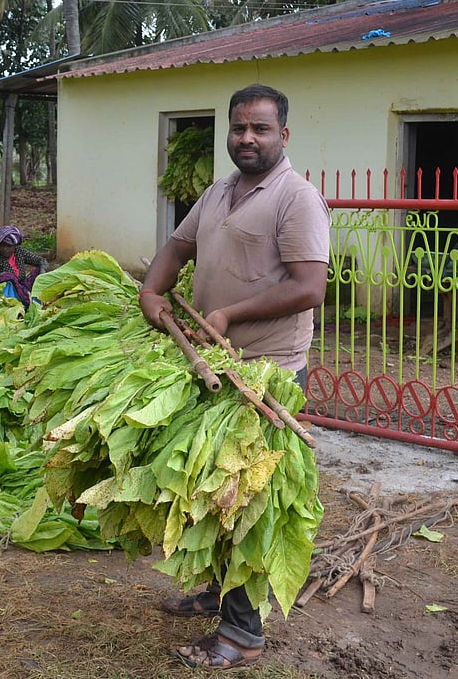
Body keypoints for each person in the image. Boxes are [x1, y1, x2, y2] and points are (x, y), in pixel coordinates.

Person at [138, 84, 329, 671]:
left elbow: (308, 288)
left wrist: (228, 315)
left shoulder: (296, 199)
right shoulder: (219, 191)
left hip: (265, 372)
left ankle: (243, 634)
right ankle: (219, 595)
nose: (247, 138)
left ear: (284, 136)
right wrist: (153, 288)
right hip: (213, 365)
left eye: (261, 129)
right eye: (239, 128)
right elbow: (178, 245)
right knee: (213, 491)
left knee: (248, 500)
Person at [0, 225, 48, 308]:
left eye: (9, 246)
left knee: (38, 271)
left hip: (23, 286)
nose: (5, 249)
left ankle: (35, 298)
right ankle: (21, 303)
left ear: (15, 246)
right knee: (7, 276)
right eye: (2, 245)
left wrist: (42, 272)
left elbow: (40, 261)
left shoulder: (19, 252)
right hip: (8, 292)